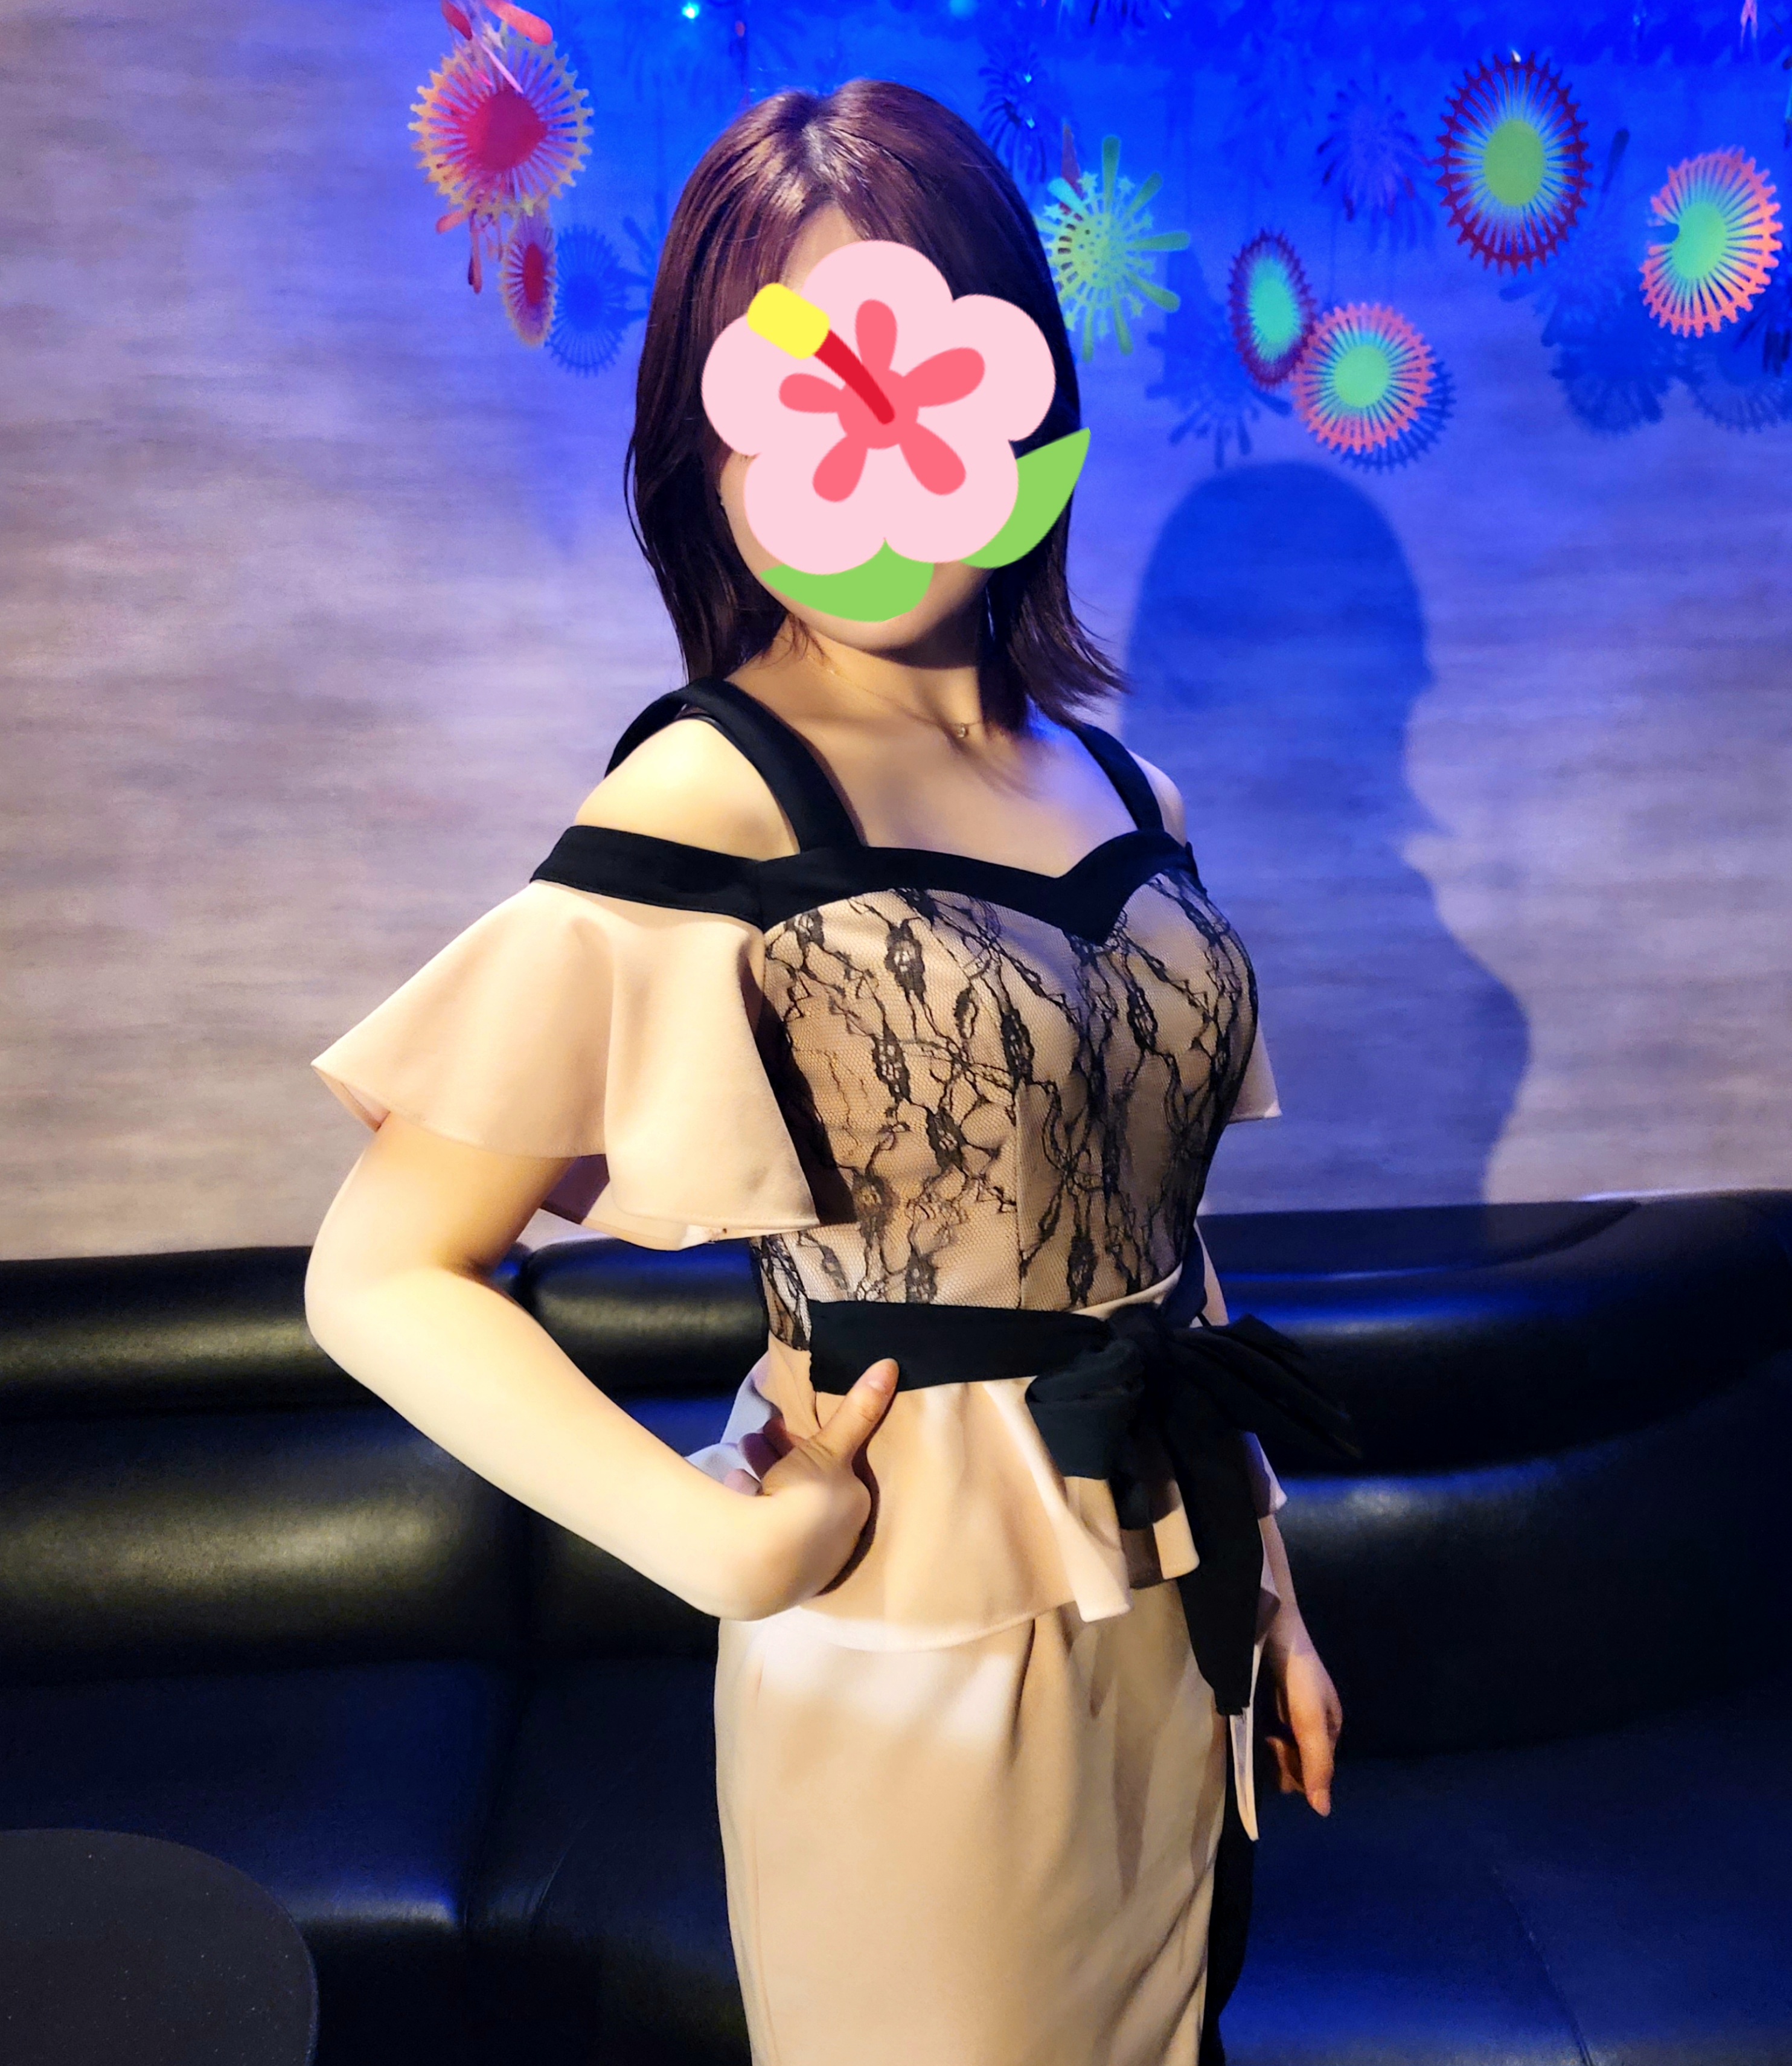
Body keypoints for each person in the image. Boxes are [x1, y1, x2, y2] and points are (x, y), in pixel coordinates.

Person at [306, 78, 1342, 2066]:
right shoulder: (714, 794)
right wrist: (713, 1539)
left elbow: (1155, 1238)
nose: (877, 436)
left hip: (1171, 1612)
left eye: (918, 361)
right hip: (910, 1639)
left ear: (1014, 389)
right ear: (717, 448)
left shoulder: (1128, 791)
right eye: (802, 387)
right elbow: (381, 1270)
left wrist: (1276, 1590)